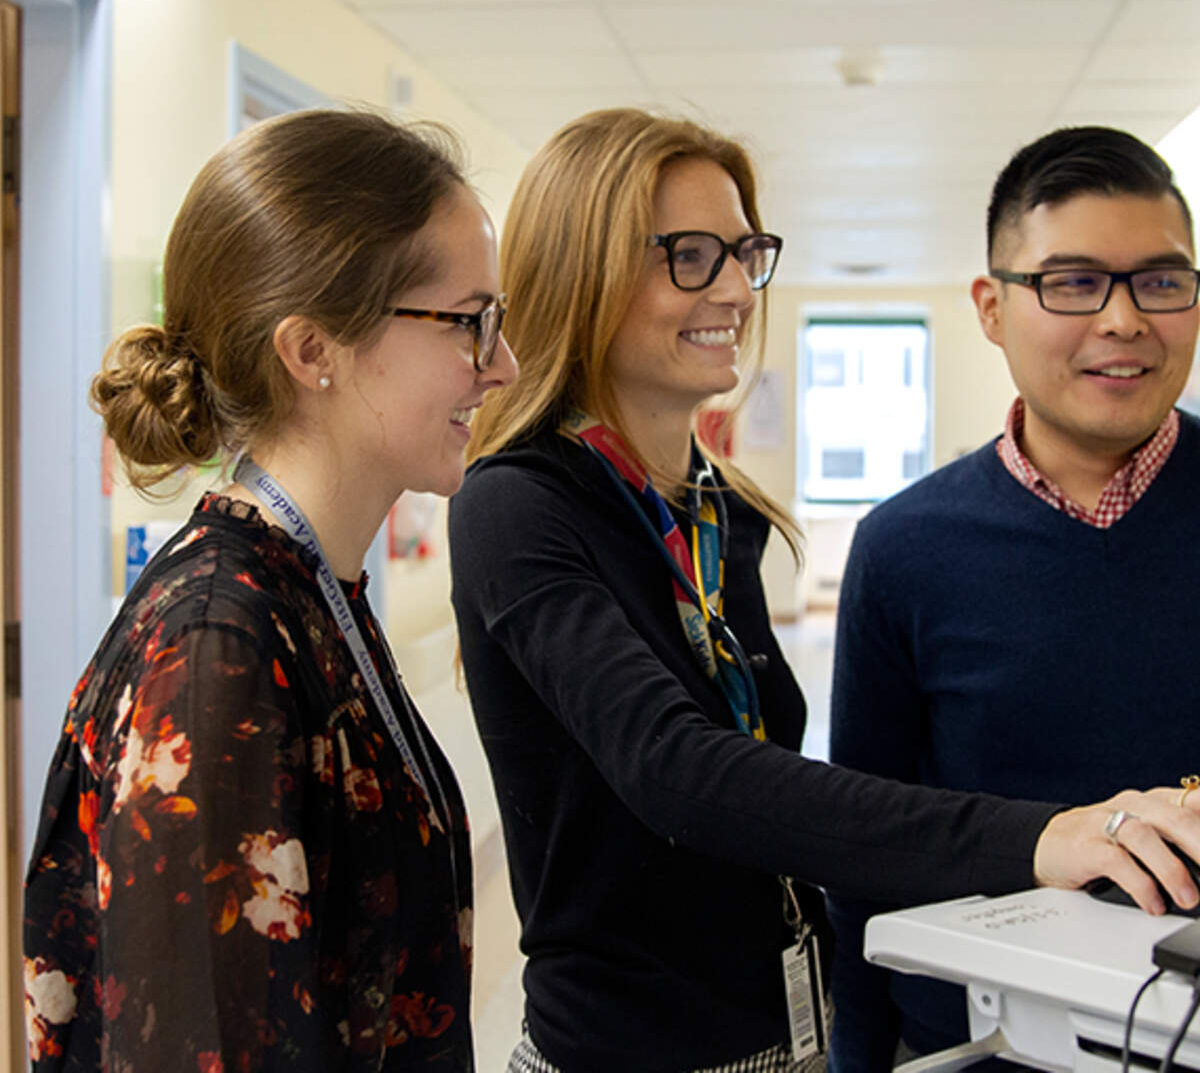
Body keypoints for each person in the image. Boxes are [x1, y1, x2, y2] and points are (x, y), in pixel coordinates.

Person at [447, 108, 1200, 1073]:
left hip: (785, 1032)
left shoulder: (720, 516)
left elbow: (800, 818)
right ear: (583, 270)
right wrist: (1047, 836)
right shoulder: (518, 504)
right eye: (687, 255)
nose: (732, 287)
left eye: (741, 252)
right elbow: (680, 772)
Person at [23, 108, 517, 1071]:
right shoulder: (218, 646)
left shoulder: (308, 595)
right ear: (313, 351)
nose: (502, 366)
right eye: (471, 323)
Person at [827, 125, 1200, 1070]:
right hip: (978, 1041)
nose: (1123, 321)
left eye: (1161, 281)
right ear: (992, 309)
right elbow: (863, 846)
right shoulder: (905, 548)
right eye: (1073, 283)